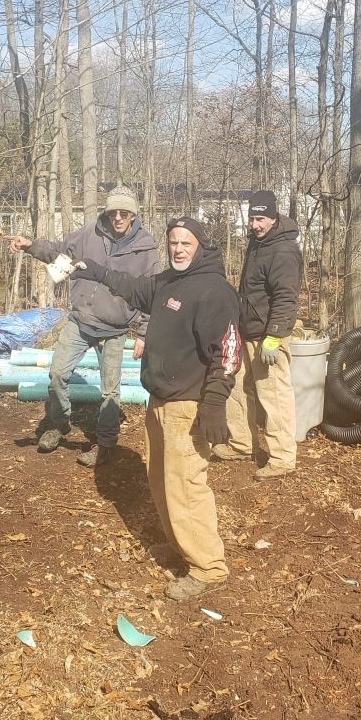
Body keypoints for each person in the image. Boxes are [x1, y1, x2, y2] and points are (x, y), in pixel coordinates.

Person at [76, 217, 241, 601]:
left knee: (185, 486)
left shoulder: (213, 291)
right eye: (173, 242)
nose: (178, 248)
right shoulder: (168, 281)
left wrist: (214, 403)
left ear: (200, 245)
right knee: (161, 479)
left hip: (188, 403)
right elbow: (133, 287)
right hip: (160, 400)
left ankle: (208, 568)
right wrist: (94, 270)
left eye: (186, 242)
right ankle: (182, 546)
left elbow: (228, 352)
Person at [4, 186, 159, 467]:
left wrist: (144, 334)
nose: (118, 217)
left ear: (134, 215)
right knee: (57, 375)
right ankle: (59, 424)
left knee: (110, 390)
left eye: (125, 213)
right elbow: (59, 251)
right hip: (81, 320)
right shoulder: (90, 233)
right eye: (114, 212)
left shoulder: (146, 248)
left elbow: (152, 292)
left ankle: (106, 443)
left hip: (115, 328)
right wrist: (30, 246)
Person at [213, 189, 302, 479]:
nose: (255, 224)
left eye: (261, 218)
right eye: (252, 218)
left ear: (274, 218)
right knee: (237, 390)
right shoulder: (258, 243)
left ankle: (282, 458)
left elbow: (286, 298)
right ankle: (241, 444)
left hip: (267, 337)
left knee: (274, 396)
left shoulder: (284, 250)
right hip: (246, 332)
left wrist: (274, 336)